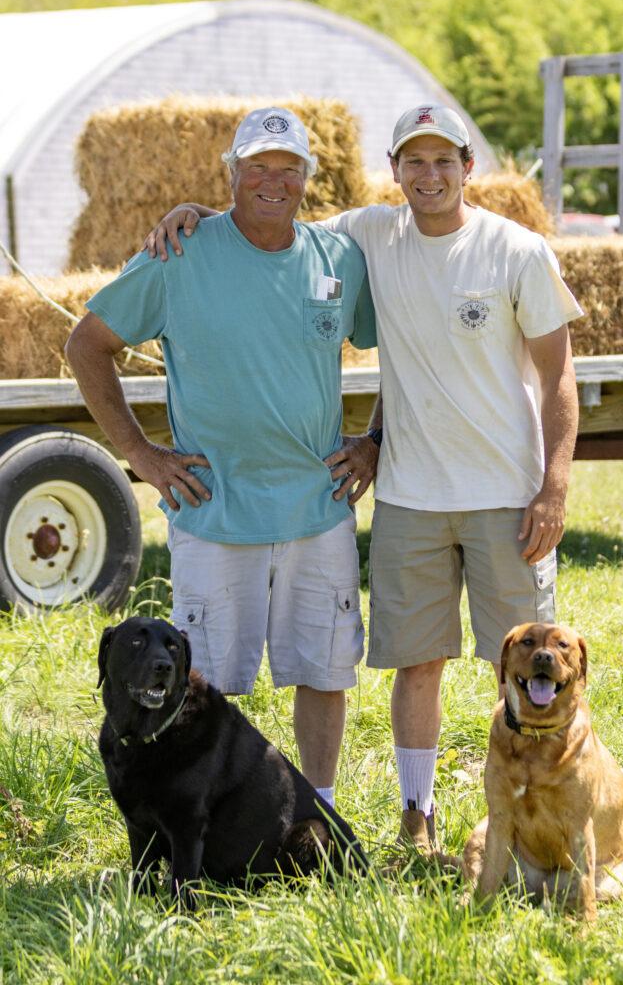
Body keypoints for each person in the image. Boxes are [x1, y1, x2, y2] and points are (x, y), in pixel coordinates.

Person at [142, 103, 583, 851]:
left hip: (506, 491)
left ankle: (536, 811)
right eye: (414, 161)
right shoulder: (367, 237)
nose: (429, 174)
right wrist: (194, 215)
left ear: (468, 167)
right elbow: (269, 214)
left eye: (444, 160)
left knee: (523, 667)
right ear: (394, 170)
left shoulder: (516, 250)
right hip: (410, 494)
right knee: (415, 665)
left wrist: (554, 483)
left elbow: (558, 374)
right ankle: (418, 815)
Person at [66, 106, 379, 811]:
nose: (273, 180)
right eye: (257, 167)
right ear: (231, 173)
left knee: (322, 671)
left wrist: (376, 440)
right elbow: (86, 344)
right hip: (212, 509)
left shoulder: (339, 259)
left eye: (287, 168)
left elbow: (409, 345)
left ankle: (317, 812)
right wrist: (139, 454)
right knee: (199, 683)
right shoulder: (179, 252)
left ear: (309, 177)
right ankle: (205, 817)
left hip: (316, 505)